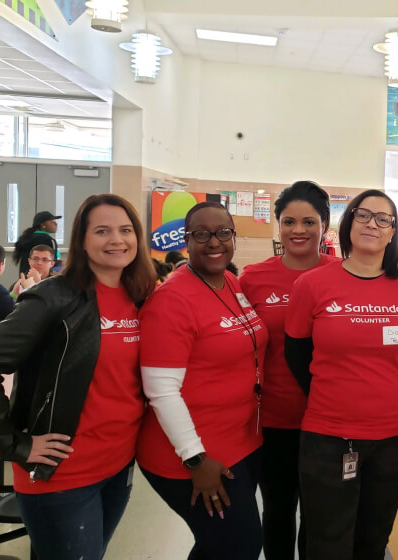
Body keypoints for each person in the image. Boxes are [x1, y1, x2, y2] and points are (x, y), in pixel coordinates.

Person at [0, 194, 156, 560]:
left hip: (119, 465)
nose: (116, 240)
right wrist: (14, 445)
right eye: (102, 231)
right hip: (62, 474)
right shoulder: (53, 298)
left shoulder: (141, 297)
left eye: (125, 230)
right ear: (82, 241)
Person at [284, 189, 398, 560]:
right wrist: (337, 397)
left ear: (393, 232)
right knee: (327, 544)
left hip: (396, 440)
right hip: (330, 440)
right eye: (363, 215)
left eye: (383, 219)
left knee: (373, 541)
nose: (372, 224)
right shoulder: (312, 285)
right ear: (347, 224)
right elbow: (296, 353)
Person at [137, 202, 268, 560]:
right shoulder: (172, 300)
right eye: (202, 234)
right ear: (186, 239)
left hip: (240, 443)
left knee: (222, 546)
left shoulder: (230, 282)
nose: (214, 242)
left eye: (223, 233)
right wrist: (195, 459)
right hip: (194, 455)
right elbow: (161, 391)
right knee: (238, 545)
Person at [240, 181, 339, 559]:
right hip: (275, 419)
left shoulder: (342, 274)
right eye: (289, 221)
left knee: (320, 517)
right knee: (279, 512)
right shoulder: (253, 279)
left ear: (325, 225)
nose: (299, 230)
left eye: (309, 222)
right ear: (277, 225)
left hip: (329, 419)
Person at [13, 211, 60, 276]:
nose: (56, 224)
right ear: (43, 224)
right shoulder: (49, 240)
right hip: (43, 281)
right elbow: (55, 264)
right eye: (52, 221)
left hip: (26, 278)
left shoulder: (26, 238)